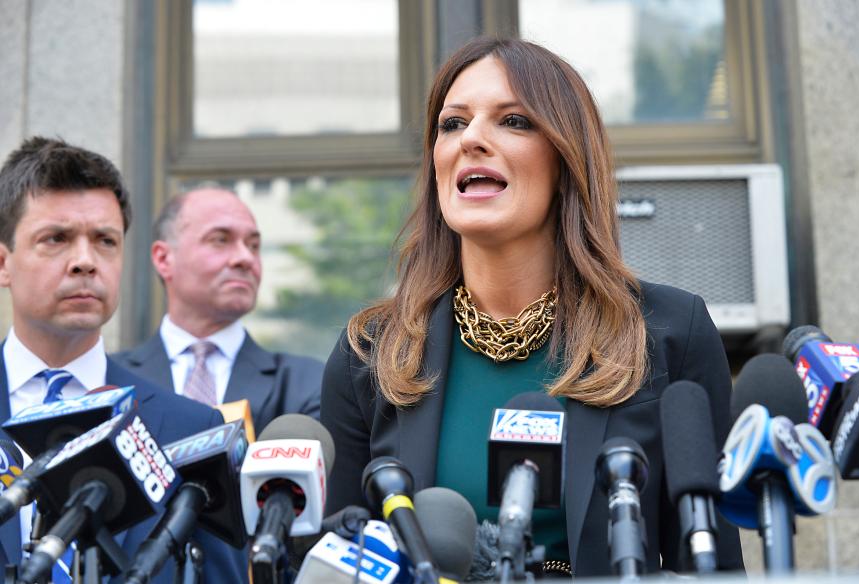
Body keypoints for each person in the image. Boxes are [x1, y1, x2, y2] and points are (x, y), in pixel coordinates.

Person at [321, 37, 744, 577]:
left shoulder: (667, 332)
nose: (471, 139)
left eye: (513, 121)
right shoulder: (372, 352)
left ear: (566, 158)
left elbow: (711, 564)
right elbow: (335, 562)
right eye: (452, 124)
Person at [0, 137, 247, 582]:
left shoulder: (193, 430)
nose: (84, 262)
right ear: (3, 263)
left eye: (104, 241)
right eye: (55, 238)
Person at [114, 187, 322, 435]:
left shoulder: (305, 384)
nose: (245, 258)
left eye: (254, 245)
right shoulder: (110, 382)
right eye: (220, 240)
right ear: (164, 258)